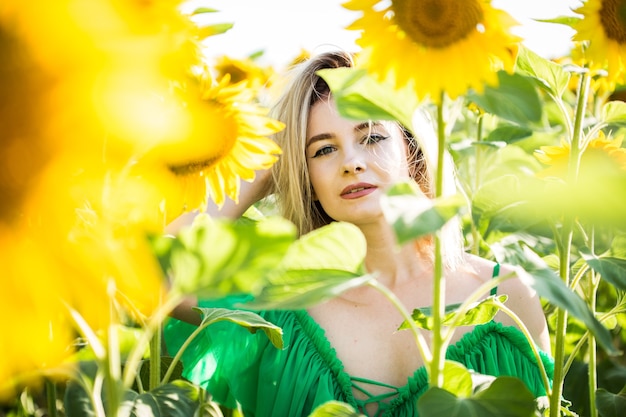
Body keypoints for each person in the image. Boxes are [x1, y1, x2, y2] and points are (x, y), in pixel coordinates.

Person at [163, 50, 553, 417]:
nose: (351, 162)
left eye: (372, 137)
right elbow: (158, 277)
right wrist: (262, 158)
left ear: (410, 147)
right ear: (304, 176)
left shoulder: (506, 295)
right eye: (322, 150)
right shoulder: (283, 302)